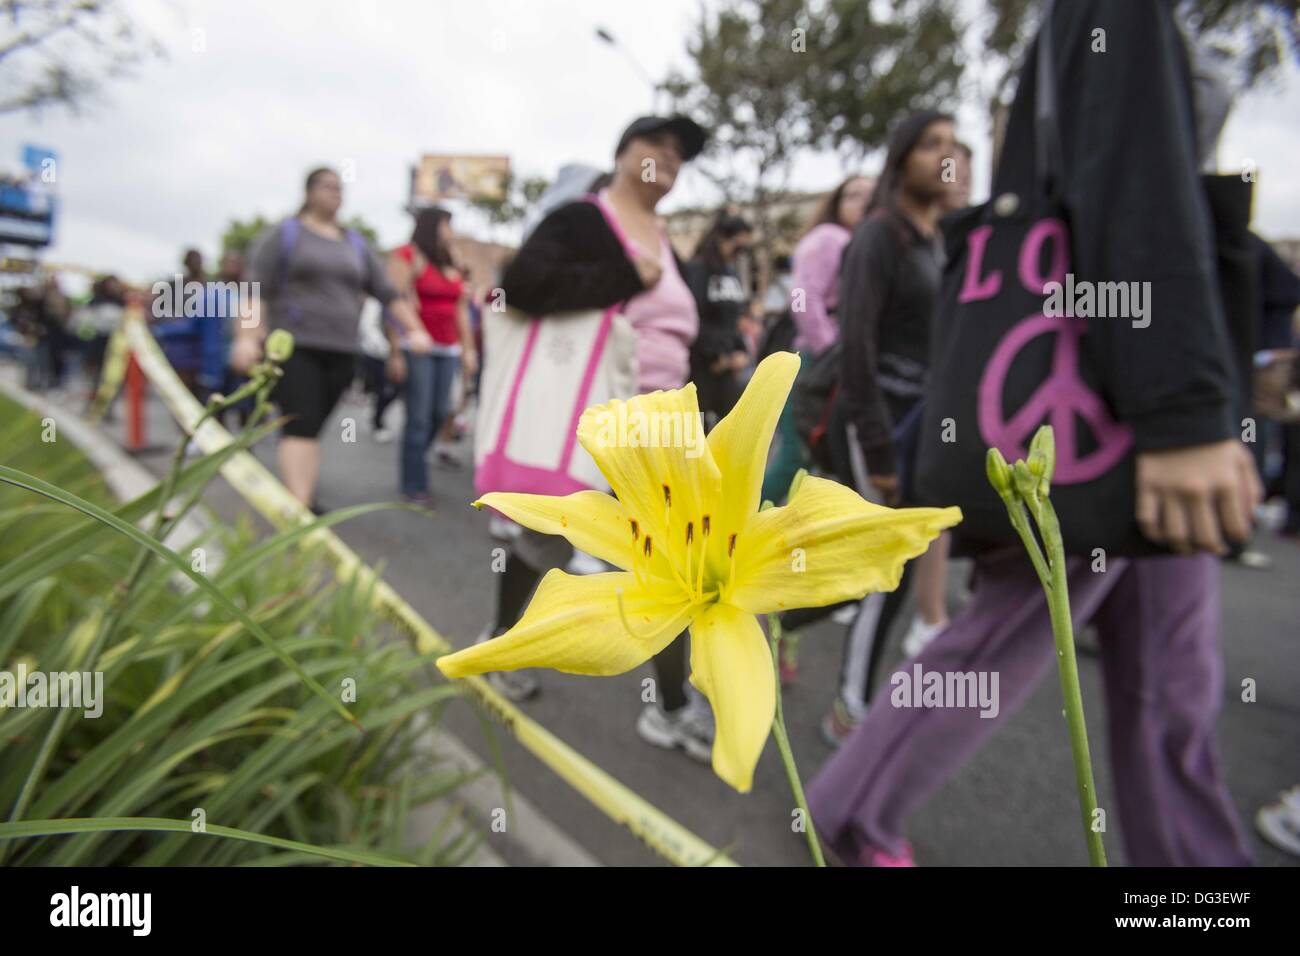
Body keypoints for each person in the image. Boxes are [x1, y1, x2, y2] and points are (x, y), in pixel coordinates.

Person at [807, 0, 1260, 867]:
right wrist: (1180, 410)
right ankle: (850, 811)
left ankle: (1198, 884)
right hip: (1115, 412)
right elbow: (1133, 179)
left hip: (1124, 401)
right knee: (1007, 635)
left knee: (1175, 683)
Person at [480, 114, 716, 764]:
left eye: (678, 155)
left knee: (675, 563)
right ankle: (499, 641)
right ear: (621, 154)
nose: (667, 159)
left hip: (665, 423)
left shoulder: (668, 241)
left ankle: (669, 706)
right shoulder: (586, 220)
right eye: (655, 147)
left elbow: (683, 333)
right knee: (546, 540)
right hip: (595, 413)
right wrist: (622, 279)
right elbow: (521, 285)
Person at [231, 167, 433, 509]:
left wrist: (415, 328)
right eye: (327, 186)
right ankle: (299, 511)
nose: (336, 192)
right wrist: (247, 337)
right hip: (296, 348)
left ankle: (302, 496)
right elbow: (255, 287)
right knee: (300, 423)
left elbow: (387, 291)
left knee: (310, 428)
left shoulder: (355, 244)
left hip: (342, 350)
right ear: (308, 191)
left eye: (340, 187)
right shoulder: (285, 234)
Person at [760, 175, 873, 505]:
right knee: (795, 457)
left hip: (833, 361)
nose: (862, 202)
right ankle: (732, 525)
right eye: (852, 195)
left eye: (870, 195)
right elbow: (802, 296)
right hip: (815, 362)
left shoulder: (864, 242)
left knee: (817, 459)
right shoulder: (830, 238)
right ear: (836, 203)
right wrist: (829, 349)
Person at [387, 207, 478, 505]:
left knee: (441, 413)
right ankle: (413, 485)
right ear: (433, 226)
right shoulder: (407, 256)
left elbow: (462, 309)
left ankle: (415, 461)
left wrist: (468, 349)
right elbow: (394, 303)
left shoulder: (452, 261)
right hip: (418, 348)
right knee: (418, 417)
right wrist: (396, 351)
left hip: (448, 349)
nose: (451, 232)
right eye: (447, 225)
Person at [684, 213, 754, 426]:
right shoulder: (697, 270)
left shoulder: (731, 273)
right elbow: (692, 318)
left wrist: (740, 350)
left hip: (727, 369)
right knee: (698, 436)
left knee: (733, 429)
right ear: (722, 239)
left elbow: (732, 321)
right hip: (700, 369)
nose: (740, 255)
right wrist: (717, 355)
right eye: (738, 248)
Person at [73, 275, 126, 407]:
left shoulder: (122, 303)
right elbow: (84, 323)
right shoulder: (94, 303)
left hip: (115, 345)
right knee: (96, 378)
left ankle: (106, 407)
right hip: (97, 344)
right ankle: (92, 405)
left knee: (112, 379)